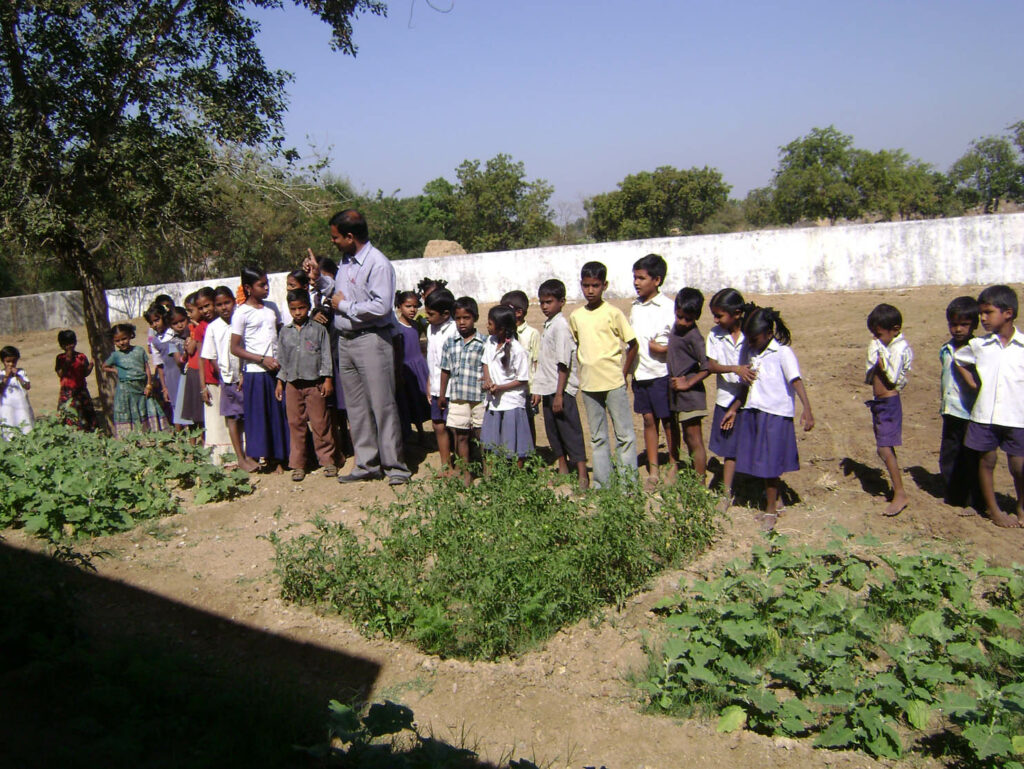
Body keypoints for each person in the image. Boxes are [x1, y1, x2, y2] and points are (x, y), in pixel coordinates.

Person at [327, 209, 410, 485]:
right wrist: (319, 280)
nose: (334, 242)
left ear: (350, 237)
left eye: (336, 237)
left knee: (382, 405)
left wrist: (344, 306)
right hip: (347, 342)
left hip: (372, 340)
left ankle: (395, 467)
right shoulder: (346, 263)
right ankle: (366, 464)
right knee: (356, 407)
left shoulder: (378, 264)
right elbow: (341, 293)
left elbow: (380, 305)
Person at [722, 307, 814, 530]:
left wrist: (807, 409)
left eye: (754, 339)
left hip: (775, 415)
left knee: (770, 464)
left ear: (768, 334)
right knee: (763, 462)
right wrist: (734, 407)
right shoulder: (752, 353)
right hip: (755, 411)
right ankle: (776, 502)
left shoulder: (782, 353)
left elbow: (796, 381)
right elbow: (746, 387)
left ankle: (771, 510)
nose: (751, 344)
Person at [954, 285, 1024, 528]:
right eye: (981, 313)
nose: (981, 318)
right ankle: (993, 510)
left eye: (987, 312)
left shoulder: (1023, 346)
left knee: (1019, 466)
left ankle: (1021, 506)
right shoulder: (979, 346)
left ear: (1008, 313)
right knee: (987, 461)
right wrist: (973, 383)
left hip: (1017, 417)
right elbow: (959, 359)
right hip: (985, 416)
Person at [569, 261, 638, 488]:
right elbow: (578, 345)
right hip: (589, 385)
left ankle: (628, 486)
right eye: (586, 285)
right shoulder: (576, 316)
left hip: (613, 382)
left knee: (624, 436)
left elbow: (632, 343)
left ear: (604, 285)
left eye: (595, 285)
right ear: (581, 285)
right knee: (598, 437)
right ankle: (602, 485)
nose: (590, 290)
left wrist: (624, 374)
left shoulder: (613, 313)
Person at [230, 265, 289, 471]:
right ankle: (261, 458)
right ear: (248, 287)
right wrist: (261, 359)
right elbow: (235, 348)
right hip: (256, 372)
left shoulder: (271, 308)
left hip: (276, 370)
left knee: (277, 414)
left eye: (267, 284)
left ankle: (280, 458)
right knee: (259, 417)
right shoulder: (241, 314)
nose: (266, 288)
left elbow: (280, 334)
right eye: (261, 285)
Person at [275, 289, 336, 481]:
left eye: (301, 308)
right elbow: (282, 359)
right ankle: (298, 464)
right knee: (296, 424)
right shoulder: (285, 332)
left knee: (320, 423)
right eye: (293, 309)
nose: (298, 313)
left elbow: (326, 356)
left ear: (308, 307)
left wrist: (327, 379)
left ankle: (328, 460)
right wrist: (280, 382)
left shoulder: (319, 330)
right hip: (292, 384)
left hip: (315, 384)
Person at [534, 279, 588, 488]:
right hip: (548, 387)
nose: (545, 306)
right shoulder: (548, 325)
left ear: (561, 302)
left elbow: (563, 363)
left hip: (561, 390)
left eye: (549, 302)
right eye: (542, 302)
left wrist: (559, 394)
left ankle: (583, 474)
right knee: (554, 432)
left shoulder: (561, 327)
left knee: (570, 431)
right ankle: (563, 469)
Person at [629, 253, 677, 489]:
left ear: (657, 280)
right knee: (648, 420)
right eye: (635, 278)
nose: (637, 282)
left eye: (642, 278)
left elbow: (676, 343)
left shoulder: (668, 307)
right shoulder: (635, 307)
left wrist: (662, 348)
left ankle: (675, 463)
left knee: (667, 421)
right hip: (641, 373)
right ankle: (653, 469)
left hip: (660, 372)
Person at [705, 288, 754, 509]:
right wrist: (736, 368)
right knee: (729, 450)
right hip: (725, 398)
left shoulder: (751, 334)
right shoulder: (715, 334)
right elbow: (712, 365)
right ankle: (726, 494)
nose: (716, 320)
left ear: (736, 313)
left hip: (751, 399)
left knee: (756, 446)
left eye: (719, 315)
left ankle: (766, 492)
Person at [865, 303, 913, 516]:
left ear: (894, 329)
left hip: (888, 402)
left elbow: (891, 377)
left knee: (885, 448)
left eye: (879, 334)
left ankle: (900, 492)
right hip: (881, 403)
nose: (876, 338)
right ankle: (898, 490)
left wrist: (881, 363)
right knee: (882, 447)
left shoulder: (898, 349)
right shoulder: (887, 346)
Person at [201, 286, 255, 469]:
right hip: (228, 381)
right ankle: (240, 458)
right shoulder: (213, 328)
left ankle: (253, 454)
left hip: (247, 376)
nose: (224, 307)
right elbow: (211, 356)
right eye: (219, 304)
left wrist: (243, 373)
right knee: (232, 419)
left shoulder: (241, 321)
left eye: (227, 302)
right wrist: (225, 377)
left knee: (250, 417)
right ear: (215, 307)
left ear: (234, 301)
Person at [939, 296, 981, 514]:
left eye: (963, 325)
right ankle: (953, 496)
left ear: (974, 325)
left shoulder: (977, 350)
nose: (957, 329)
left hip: (969, 413)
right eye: (953, 324)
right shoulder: (946, 349)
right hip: (950, 411)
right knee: (949, 454)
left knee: (971, 457)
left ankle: (974, 499)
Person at [438, 296, 487, 485]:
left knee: (482, 437)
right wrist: (443, 395)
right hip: (458, 397)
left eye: (466, 318)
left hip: (479, 397)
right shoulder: (450, 343)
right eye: (458, 318)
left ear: (474, 318)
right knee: (461, 436)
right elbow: (445, 370)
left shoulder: (484, 343)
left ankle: (487, 472)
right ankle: (466, 474)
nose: (462, 322)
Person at [481, 304, 533, 467]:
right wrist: (488, 380)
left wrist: (500, 387)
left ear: (501, 328)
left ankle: (516, 477)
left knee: (514, 442)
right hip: (494, 401)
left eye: (490, 323)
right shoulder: (490, 342)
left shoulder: (517, 350)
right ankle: (497, 475)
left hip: (511, 402)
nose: (487, 327)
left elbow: (522, 379)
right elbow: (486, 363)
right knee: (493, 440)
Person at [668, 288, 710, 480]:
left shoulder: (694, 336)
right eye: (680, 317)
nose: (682, 322)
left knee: (694, 439)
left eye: (688, 319)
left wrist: (688, 382)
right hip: (678, 395)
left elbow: (708, 366)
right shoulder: (676, 329)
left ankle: (700, 484)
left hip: (691, 395)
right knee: (687, 437)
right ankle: (695, 477)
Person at [101, 324, 165, 437]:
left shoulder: (139, 351)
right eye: (117, 341)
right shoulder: (116, 356)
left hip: (142, 389)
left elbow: (147, 369)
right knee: (129, 412)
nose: (121, 342)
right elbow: (104, 366)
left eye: (124, 338)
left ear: (130, 336)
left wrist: (149, 385)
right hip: (125, 391)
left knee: (146, 409)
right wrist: (116, 371)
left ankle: (151, 437)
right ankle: (132, 440)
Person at [425, 288, 459, 471]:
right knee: (438, 425)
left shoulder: (454, 330)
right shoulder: (431, 329)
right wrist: (429, 382)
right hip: (436, 386)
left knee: (456, 427)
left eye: (430, 313)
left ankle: (462, 465)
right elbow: (432, 358)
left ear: (446, 314)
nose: (426, 317)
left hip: (452, 388)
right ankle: (445, 465)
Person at [394, 290, 431, 445]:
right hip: (406, 370)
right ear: (399, 306)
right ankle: (413, 435)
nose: (412, 310)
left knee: (422, 400)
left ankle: (422, 433)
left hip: (420, 367)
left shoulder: (416, 325)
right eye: (408, 306)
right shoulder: (396, 328)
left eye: (415, 306)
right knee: (411, 401)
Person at [181, 287, 216, 441]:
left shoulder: (202, 326)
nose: (189, 315)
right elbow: (190, 350)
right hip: (199, 372)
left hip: (209, 372)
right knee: (197, 413)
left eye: (191, 311)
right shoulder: (196, 328)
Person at [54, 329, 98, 431]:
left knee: (85, 414)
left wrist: (92, 363)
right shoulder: (60, 358)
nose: (70, 346)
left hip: (81, 391)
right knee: (70, 414)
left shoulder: (81, 357)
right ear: (62, 345)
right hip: (67, 393)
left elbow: (85, 373)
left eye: (72, 343)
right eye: (66, 344)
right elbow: (60, 373)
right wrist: (67, 362)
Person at [144, 305, 174, 424]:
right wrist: (164, 386)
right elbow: (160, 365)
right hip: (169, 375)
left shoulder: (174, 333)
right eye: (152, 323)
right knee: (173, 406)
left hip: (183, 373)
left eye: (157, 320)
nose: (155, 325)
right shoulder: (155, 341)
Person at [0, 345, 34, 439]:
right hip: (7, 408)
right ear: (3, 361)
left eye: (13, 361)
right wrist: (6, 376)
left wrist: (18, 376)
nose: (11, 364)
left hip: (22, 406)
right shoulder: (1, 375)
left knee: (25, 424)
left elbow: (27, 386)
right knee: (9, 425)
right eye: (8, 362)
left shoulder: (21, 372)